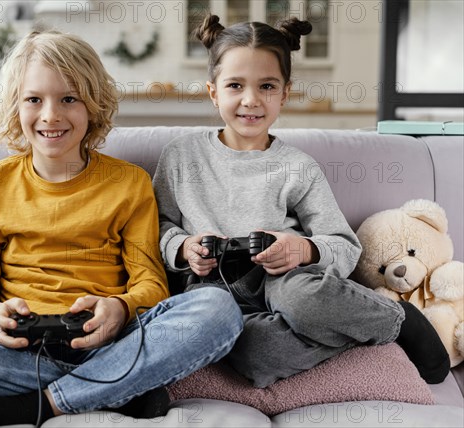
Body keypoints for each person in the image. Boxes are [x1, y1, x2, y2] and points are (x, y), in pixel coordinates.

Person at [0, 30, 243, 428]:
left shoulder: (130, 183)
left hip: (107, 340)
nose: (51, 115)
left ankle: (38, 404)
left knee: (218, 308)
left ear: (92, 105)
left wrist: (119, 307)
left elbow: (151, 284)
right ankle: (116, 389)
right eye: (34, 99)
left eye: (68, 99)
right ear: (16, 106)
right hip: (16, 348)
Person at [153, 14, 450, 388]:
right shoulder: (180, 157)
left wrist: (301, 250)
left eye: (266, 86)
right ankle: (359, 330)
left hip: (284, 280)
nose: (251, 100)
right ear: (213, 92)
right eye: (235, 85)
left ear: (285, 93)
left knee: (304, 302)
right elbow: (158, 227)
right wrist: (183, 248)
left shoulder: (297, 167)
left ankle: (396, 318)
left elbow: (343, 246)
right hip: (213, 293)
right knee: (256, 355)